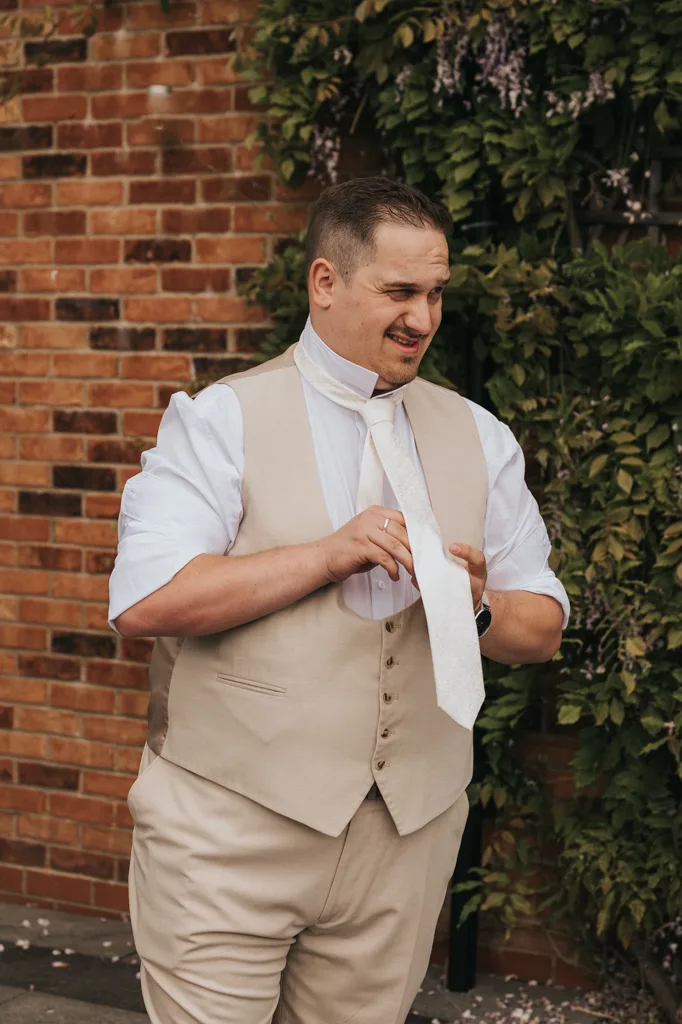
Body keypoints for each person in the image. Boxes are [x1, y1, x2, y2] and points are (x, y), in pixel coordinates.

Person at [109, 177, 568, 1024]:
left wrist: (477, 607)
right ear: (325, 282)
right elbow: (148, 599)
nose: (423, 318)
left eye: (435, 293)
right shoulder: (222, 420)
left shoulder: (480, 436)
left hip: (407, 838)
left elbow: (541, 620)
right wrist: (325, 555)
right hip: (228, 834)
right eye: (399, 291)